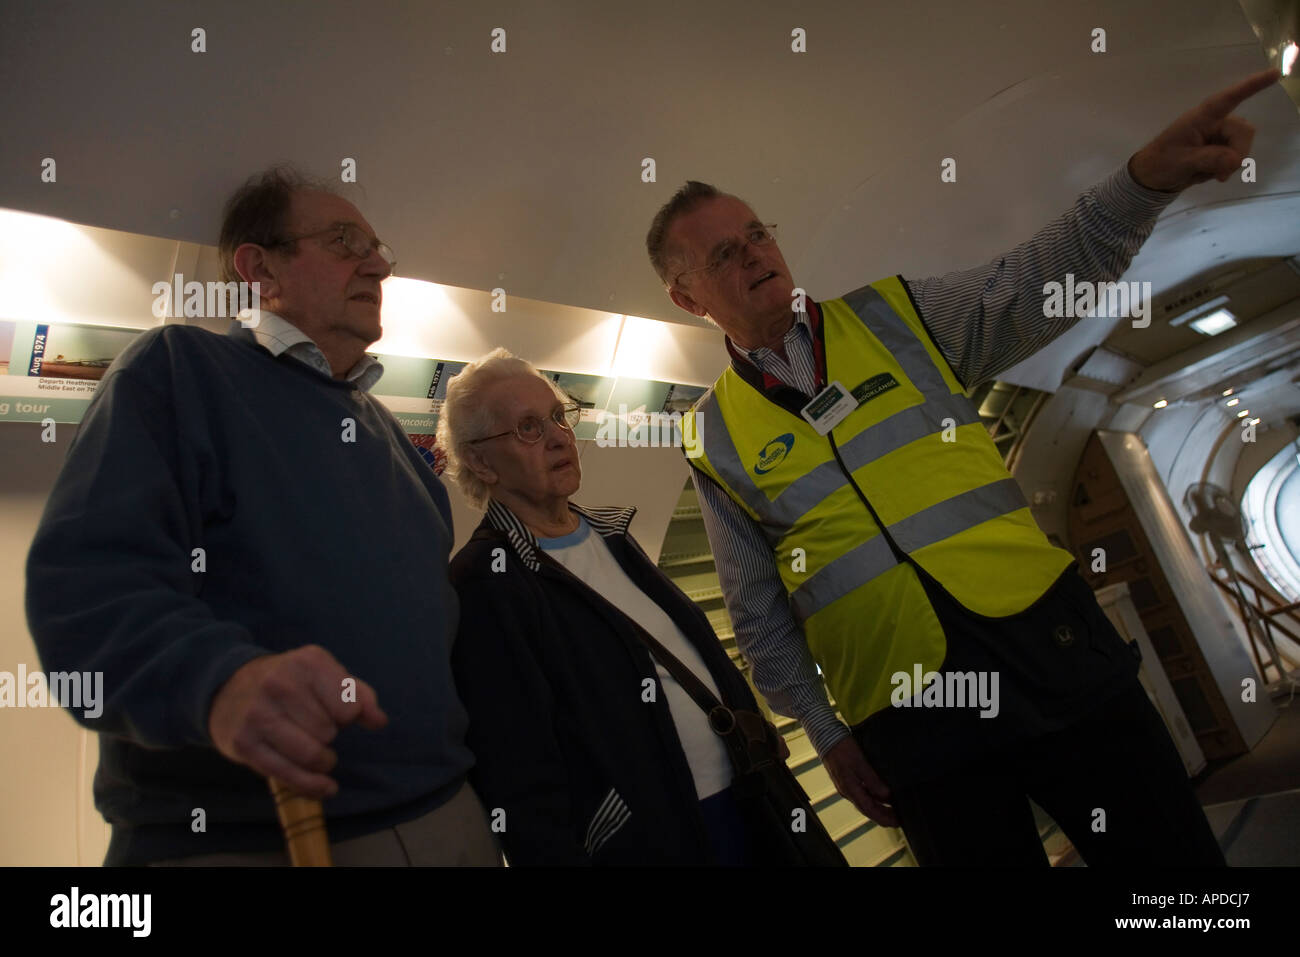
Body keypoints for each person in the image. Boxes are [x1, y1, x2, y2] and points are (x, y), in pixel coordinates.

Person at [648, 68, 1281, 866]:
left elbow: (1033, 284)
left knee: (1168, 866)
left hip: (1050, 651)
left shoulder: (898, 316)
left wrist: (1142, 184)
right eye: (725, 255)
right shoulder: (713, 436)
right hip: (909, 718)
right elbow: (758, 613)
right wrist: (826, 729)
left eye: (758, 235)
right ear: (686, 296)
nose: (755, 256)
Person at [25, 167, 498, 866]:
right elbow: (86, 590)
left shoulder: (393, 438)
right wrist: (217, 680)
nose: (377, 265)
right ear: (259, 269)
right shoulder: (181, 371)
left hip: (447, 815)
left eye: (379, 250)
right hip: (248, 836)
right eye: (345, 241)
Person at [441, 348, 837, 865]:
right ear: (479, 461)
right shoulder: (486, 581)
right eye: (528, 428)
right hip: (651, 840)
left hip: (751, 801)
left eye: (560, 416)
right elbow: (517, 765)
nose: (560, 437)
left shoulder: (613, 536)